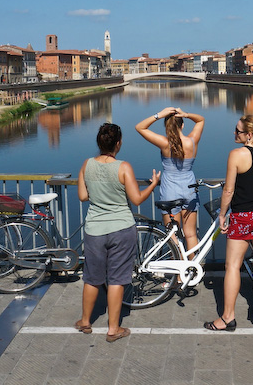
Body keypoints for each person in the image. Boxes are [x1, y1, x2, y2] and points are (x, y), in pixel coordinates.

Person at [74, 122, 160, 343]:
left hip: (94, 229)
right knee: (116, 280)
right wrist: (153, 184)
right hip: (121, 228)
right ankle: (113, 329)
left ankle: (85, 321)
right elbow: (137, 199)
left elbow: (83, 197)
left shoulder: (87, 164)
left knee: (92, 278)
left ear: (99, 142)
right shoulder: (123, 167)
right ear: (118, 143)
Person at [205, 114, 253, 331]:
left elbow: (228, 189)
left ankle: (228, 317)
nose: (233, 134)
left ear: (248, 135)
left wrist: (222, 214)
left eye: (237, 131)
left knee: (233, 266)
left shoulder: (236, 155)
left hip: (244, 216)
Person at [135, 107, 205, 251]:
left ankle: (178, 273)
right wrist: (186, 113)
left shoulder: (164, 143)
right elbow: (200, 120)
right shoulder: (192, 141)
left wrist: (159, 114)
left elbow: (140, 127)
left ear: (167, 126)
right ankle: (190, 271)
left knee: (173, 236)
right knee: (191, 234)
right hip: (190, 190)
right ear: (182, 125)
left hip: (170, 190)